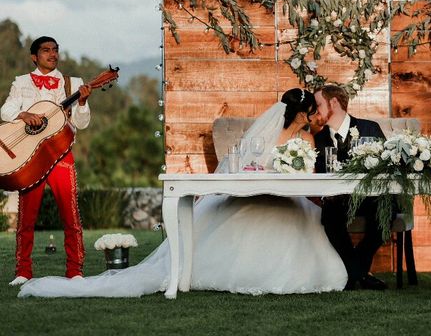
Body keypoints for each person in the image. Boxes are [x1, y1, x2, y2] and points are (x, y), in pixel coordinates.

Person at [18, 88, 347, 298]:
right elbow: (264, 169)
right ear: (303, 114)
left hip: (285, 199)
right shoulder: (289, 139)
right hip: (269, 198)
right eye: (312, 112)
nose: (315, 117)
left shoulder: (296, 140)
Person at [1, 36, 92, 286]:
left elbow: (82, 124)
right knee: (26, 218)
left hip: (61, 154)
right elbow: (5, 111)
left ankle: (75, 271)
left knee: (70, 215)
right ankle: (23, 272)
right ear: (34, 56)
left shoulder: (73, 83)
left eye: (55, 50)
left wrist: (82, 102)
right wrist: (23, 114)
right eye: (45, 50)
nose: (52, 54)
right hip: (30, 158)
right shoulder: (20, 82)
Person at [313, 84, 389, 291]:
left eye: (319, 104)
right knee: (329, 214)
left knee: (386, 211)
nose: (315, 111)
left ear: (334, 103)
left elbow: (385, 167)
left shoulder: (369, 128)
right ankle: (361, 274)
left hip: (371, 198)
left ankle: (354, 272)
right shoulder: (319, 138)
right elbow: (320, 176)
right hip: (338, 201)